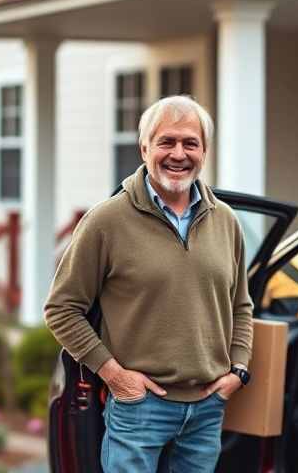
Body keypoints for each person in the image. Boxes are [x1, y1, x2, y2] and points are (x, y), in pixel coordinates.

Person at [44, 95, 253, 472]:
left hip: (208, 408)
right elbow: (61, 309)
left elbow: (240, 305)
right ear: (144, 148)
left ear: (204, 151)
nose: (179, 153)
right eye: (166, 142)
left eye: (190, 143)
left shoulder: (226, 221)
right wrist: (114, 375)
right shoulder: (106, 221)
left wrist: (237, 370)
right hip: (140, 408)